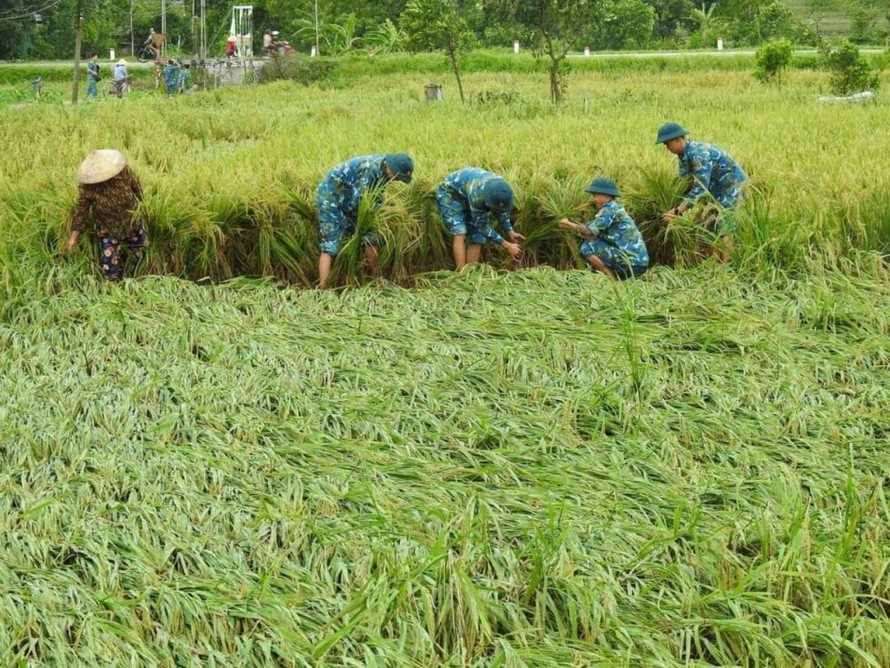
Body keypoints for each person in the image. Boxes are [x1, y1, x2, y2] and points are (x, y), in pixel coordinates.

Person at [315, 153, 414, 288]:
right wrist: (386, 210)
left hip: (351, 200)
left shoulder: (384, 172)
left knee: (370, 238)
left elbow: (373, 197)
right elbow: (362, 201)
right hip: (331, 199)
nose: (396, 180)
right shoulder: (370, 170)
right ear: (391, 168)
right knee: (331, 244)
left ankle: (377, 280)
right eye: (397, 177)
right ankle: (323, 288)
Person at [656, 122, 747, 262]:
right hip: (715, 192)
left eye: (668, 144)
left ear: (678, 140)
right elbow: (685, 184)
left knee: (725, 227)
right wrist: (673, 206)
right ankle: (712, 265)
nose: (667, 149)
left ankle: (726, 267)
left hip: (731, 189)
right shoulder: (683, 156)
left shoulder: (699, 153)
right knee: (708, 227)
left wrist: (678, 211)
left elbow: (700, 187)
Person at [64, 149, 147, 282]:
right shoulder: (88, 186)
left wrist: (143, 209)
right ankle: (112, 288)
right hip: (107, 227)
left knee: (138, 253)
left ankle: (136, 279)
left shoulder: (123, 172)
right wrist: (73, 239)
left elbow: (137, 189)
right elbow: (81, 213)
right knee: (109, 264)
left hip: (131, 222)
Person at [558, 178, 649, 280]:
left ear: (606, 196)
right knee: (592, 240)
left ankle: (612, 280)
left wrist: (568, 224)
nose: (593, 199)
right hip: (639, 263)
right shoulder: (615, 207)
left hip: (631, 263)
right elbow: (592, 232)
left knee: (587, 246)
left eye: (595, 196)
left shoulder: (610, 209)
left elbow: (588, 231)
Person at [436, 168, 524, 269]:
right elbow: (482, 226)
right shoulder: (477, 195)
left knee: (477, 236)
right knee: (460, 231)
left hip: (467, 195)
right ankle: (461, 273)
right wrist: (507, 245)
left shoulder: (502, 190)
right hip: (451, 194)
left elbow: (500, 211)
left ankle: (470, 273)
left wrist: (510, 231)